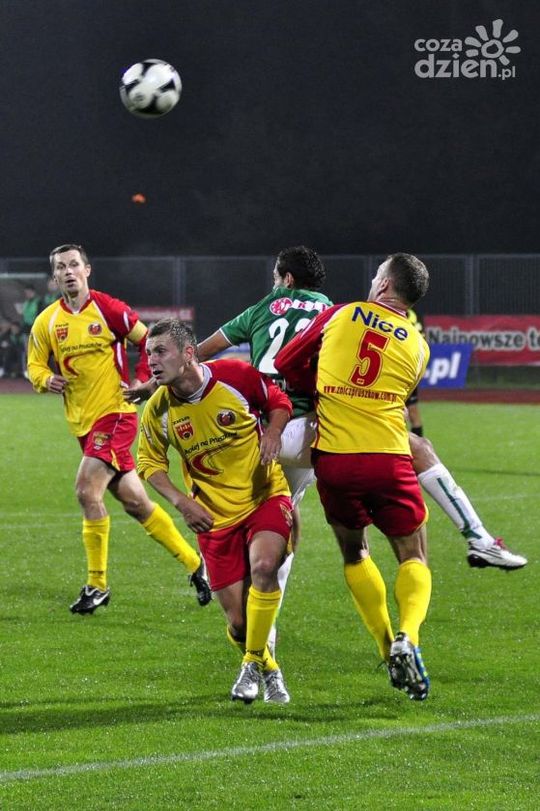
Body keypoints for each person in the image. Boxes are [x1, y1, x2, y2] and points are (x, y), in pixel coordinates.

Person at [276, 253, 433, 700]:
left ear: (384, 285)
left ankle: (386, 648)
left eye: (377, 274)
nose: (372, 279)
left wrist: (320, 383)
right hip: (389, 457)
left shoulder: (341, 314)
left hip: (336, 460)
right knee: (413, 554)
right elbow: (398, 393)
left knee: (354, 551)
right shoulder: (418, 345)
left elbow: (287, 362)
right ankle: (408, 637)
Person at [27, 243, 210, 614]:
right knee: (136, 504)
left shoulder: (109, 309)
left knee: (85, 491)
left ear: (87, 270)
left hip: (116, 414)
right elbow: (34, 365)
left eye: (73, 265)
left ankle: (97, 585)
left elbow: (148, 342)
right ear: (55, 276)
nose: (68, 271)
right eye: (60, 267)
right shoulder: (47, 321)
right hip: (83, 423)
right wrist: (46, 379)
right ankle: (197, 565)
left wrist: (143, 380)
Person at [137, 319, 294, 704]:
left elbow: (278, 402)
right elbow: (149, 463)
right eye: (148, 353)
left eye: (160, 352)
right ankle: (267, 667)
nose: (152, 361)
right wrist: (181, 501)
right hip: (212, 518)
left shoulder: (235, 376)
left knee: (265, 567)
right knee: (238, 624)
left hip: (264, 496)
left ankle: (249, 666)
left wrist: (274, 432)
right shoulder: (158, 409)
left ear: (188, 353)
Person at [405, 308, 424, 436]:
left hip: (409, 369)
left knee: (413, 411)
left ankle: (418, 444)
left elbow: (422, 341)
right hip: (392, 369)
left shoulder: (413, 317)